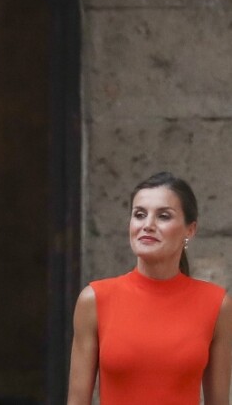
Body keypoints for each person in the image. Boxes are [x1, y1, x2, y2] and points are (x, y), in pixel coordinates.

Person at [67, 171, 232, 405]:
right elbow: (76, 401)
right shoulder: (94, 299)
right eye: (139, 215)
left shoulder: (217, 304)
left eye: (163, 216)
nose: (148, 225)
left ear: (190, 230)